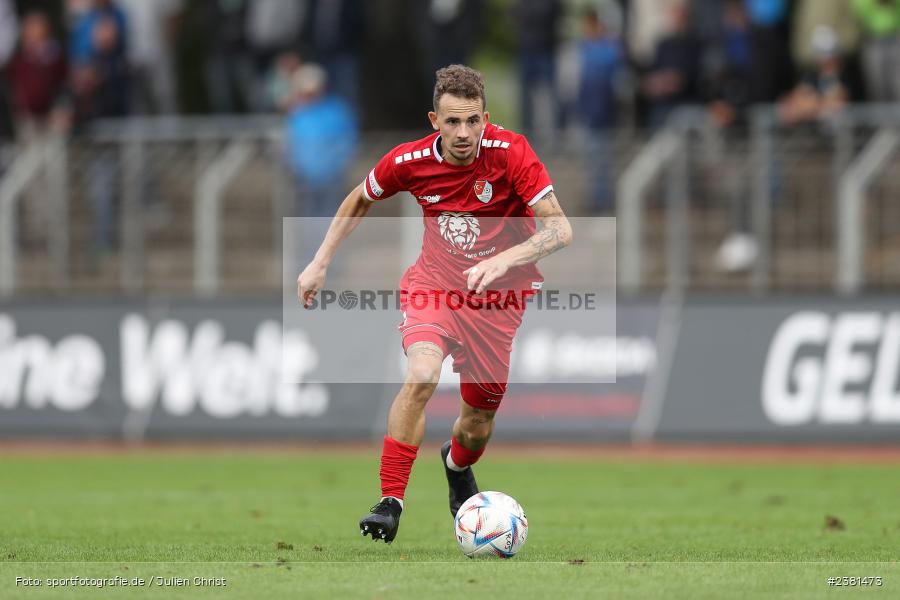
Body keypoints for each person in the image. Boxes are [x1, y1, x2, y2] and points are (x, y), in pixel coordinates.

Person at [296, 64, 572, 543]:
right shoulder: (411, 160)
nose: (463, 133)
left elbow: (560, 229)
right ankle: (390, 502)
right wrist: (320, 261)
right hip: (435, 287)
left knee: (477, 422)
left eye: (472, 121)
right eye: (452, 122)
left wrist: (504, 260)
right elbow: (360, 198)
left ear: (486, 118)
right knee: (421, 375)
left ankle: (455, 464)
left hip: (497, 302)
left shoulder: (512, 154)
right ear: (433, 120)